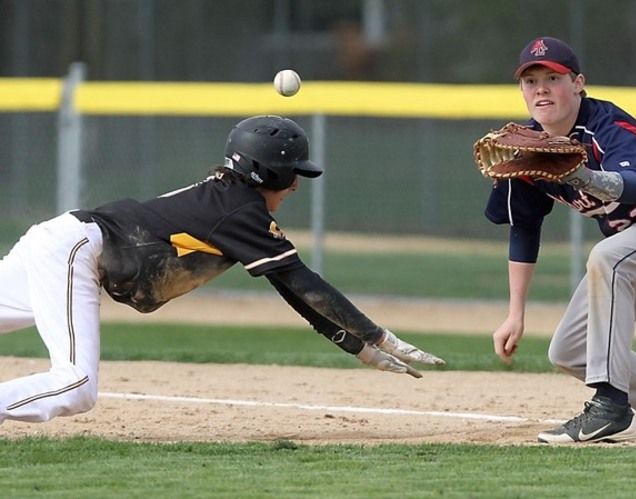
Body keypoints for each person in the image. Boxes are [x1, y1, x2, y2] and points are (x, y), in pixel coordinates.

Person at [0, 115, 444, 425]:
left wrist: (357, 345)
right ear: (266, 173)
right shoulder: (239, 212)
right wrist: (376, 336)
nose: (294, 185)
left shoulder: (230, 198)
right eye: (291, 174)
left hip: (62, 238)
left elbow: (287, 284)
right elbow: (302, 282)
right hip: (76, 252)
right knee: (76, 386)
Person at [485, 37, 636, 443]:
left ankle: (610, 406)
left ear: (578, 83)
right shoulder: (527, 149)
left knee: (608, 259)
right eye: (530, 81)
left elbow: (635, 186)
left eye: (552, 77)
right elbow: (524, 227)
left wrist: (582, 177)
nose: (540, 88)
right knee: (570, 349)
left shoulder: (608, 127)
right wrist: (515, 313)